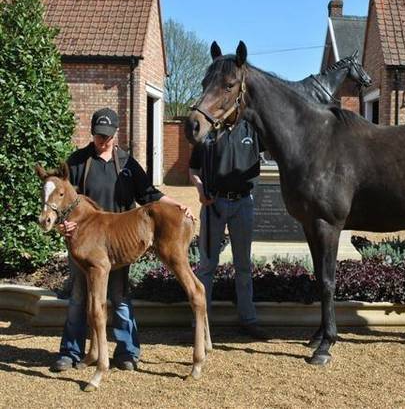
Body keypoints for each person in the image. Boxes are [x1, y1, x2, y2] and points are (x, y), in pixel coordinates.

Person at [51, 108, 193, 372]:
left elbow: (149, 193)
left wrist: (179, 206)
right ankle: (71, 352)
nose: (102, 141)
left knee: (119, 297)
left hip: (117, 241)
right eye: (98, 136)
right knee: (79, 297)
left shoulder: (126, 163)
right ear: (92, 134)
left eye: (107, 136)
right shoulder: (78, 161)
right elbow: (61, 200)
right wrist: (62, 225)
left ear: (115, 135)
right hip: (82, 241)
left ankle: (127, 351)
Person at [189, 117, 268, 340]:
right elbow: (193, 169)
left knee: (243, 265)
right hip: (214, 204)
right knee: (207, 265)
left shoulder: (252, 129)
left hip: (243, 203)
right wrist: (200, 189)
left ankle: (248, 320)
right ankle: (200, 324)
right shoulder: (207, 132)